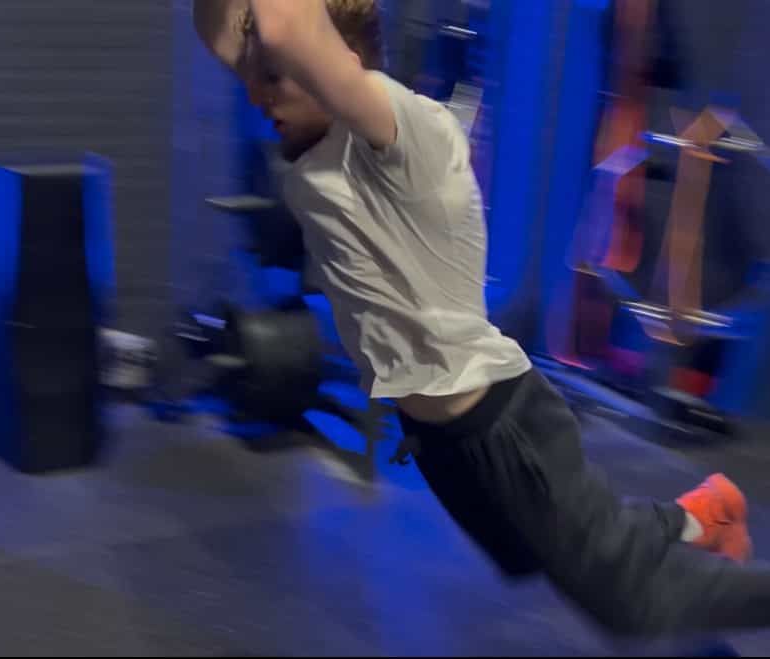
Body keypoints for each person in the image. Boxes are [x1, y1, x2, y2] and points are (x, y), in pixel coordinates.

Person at [193, 0, 770, 637]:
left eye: (274, 75)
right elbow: (221, 30)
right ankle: (703, 514)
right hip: (443, 442)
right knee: (556, 549)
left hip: (501, 423)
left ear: (339, 62)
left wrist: (285, 35)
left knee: (632, 604)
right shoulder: (306, 140)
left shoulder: (406, 132)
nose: (256, 92)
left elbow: (283, 26)